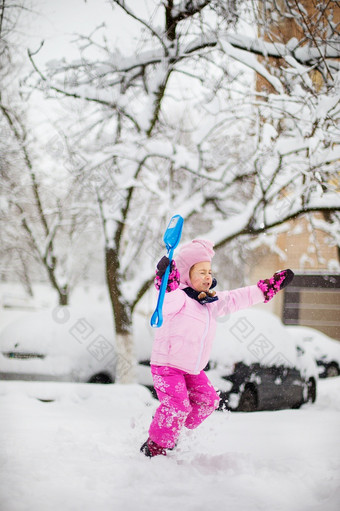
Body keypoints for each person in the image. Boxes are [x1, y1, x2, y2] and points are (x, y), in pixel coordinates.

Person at [141, 239, 294, 458]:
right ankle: (154, 447)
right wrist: (168, 282)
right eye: (201, 271)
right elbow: (165, 302)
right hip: (167, 366)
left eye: (209, 272)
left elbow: (236, 298)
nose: (207, 277)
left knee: (208, 401)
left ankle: (170, 431)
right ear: (186, 274)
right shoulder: (178, 298)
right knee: (177, 406)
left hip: (192, 369)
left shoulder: (210, 302)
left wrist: (266, 288)